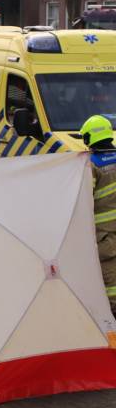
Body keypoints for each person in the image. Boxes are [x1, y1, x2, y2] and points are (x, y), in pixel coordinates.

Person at [81, 114, 116, 311]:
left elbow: (85, 199)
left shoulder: (92, 165)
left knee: (110, 289)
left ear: (89, 139)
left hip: (105, 237)